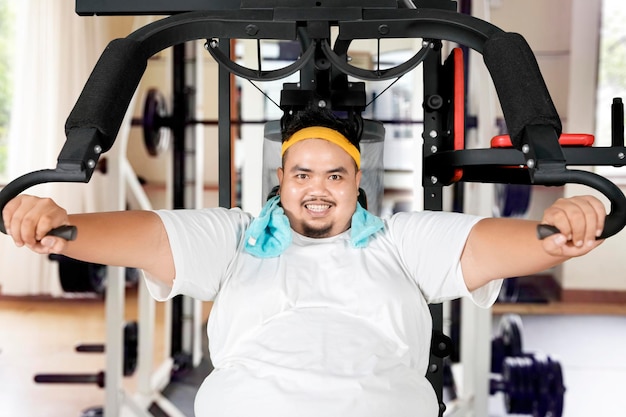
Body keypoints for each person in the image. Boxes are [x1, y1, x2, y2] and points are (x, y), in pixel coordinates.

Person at [2, 106, 606, 417]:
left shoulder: (398, 241)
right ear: (282, 180)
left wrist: (561, 233)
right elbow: (149, 239)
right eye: (302, 174)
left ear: (356, 181)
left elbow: (499, 245)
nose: (318, 188)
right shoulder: (237, 239)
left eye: (335, 175)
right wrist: (59, 231)